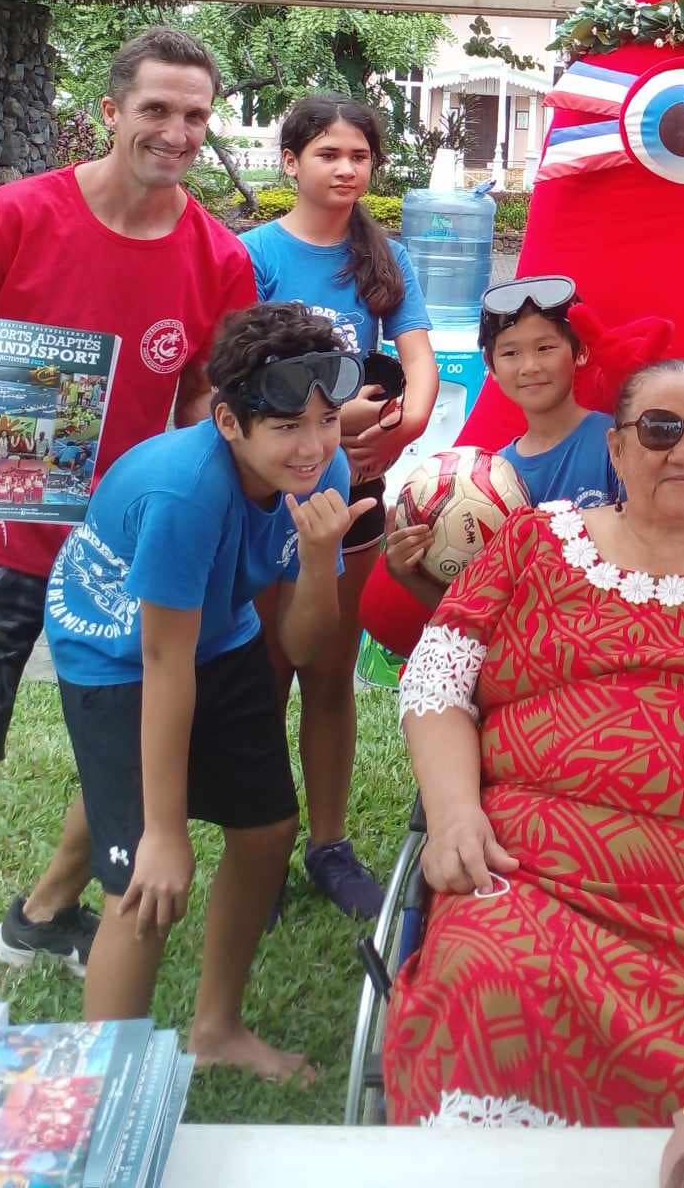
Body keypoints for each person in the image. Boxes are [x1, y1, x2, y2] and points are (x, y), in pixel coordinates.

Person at [382, 358, 684, 1128]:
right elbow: (438, 681)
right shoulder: (533, 543)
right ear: (616, 450)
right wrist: (451, 815)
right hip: (537, 869)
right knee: (490, 971)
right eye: (659, 430)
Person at [0, 25, 255, 1017]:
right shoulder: (13, 215)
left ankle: (46, 909)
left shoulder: (219, 259)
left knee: (118, 761)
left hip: (116, 561)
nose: (176, 131)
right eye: (156, 108)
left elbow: (206, 411)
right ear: (111, 111)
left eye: (195, 115)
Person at [43, 303, 357, 1079]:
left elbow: (302, 645)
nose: (313, 445)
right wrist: (163, 830)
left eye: (327, 420)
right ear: (228, 422)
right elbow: (162, 662)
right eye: (286, 426)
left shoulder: (324, 471)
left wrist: (318, 561)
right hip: (115, 653)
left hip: (221, 634)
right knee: (140, 886)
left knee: (266, 829)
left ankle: (215, 1031)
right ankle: (105, 1086)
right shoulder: (183, 491)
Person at [243, 96, 439, 920]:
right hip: (266, 498)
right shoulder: (252, 254)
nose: (346, 169)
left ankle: (330, 845)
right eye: (328, 153)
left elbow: (420, 361)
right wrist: (334, 424)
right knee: (266, 672)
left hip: (351, 493)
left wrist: (403, 431)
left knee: (329, 670)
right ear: (291, 162)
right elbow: (236, 382)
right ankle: (262, 840)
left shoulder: (382, 257)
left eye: (358, 156)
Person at [372, 275, 615, 628]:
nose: (529, 366)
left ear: (580, 352)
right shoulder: (482, 479)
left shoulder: (616, 443)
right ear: (491, 367)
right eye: (510, 352)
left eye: (545, 348)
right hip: (528, 663)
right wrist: (408, 574)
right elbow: (483, 615)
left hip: (606, 644)